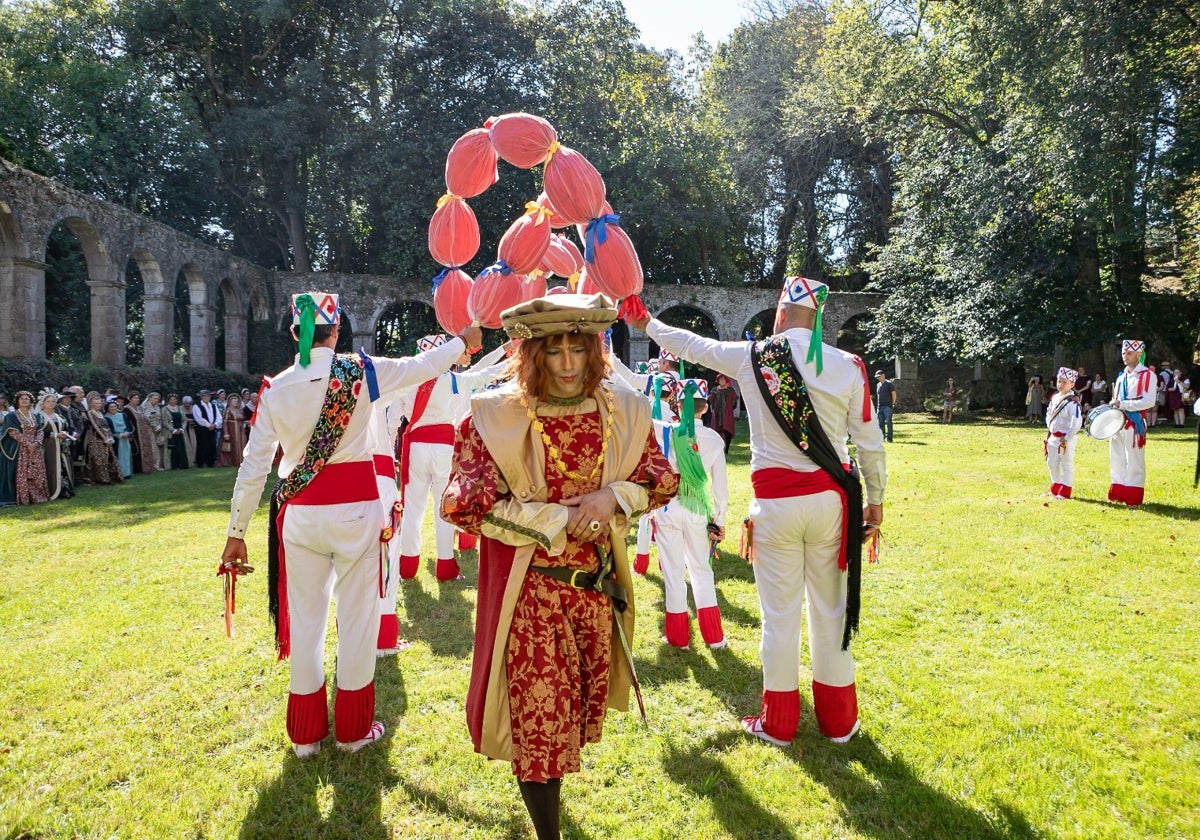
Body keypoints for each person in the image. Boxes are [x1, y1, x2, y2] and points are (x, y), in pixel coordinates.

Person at [441, 294, 677, 840]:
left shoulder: (623, 409)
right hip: (532, 599)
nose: (568, 364)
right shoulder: (494, 415)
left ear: (596, 351)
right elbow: (465, 505)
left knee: (569, 721)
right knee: (540, 733)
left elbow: (662, 481)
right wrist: (558, 520)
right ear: (533, 355)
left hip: (593, 596)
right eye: (554, 351)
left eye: (578, 348)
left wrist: (613, 498)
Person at [221, 292, 481, 759]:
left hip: (299, 514)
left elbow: (253, 466)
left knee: (306, 623)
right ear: (336, 331)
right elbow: (422, 366)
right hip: (358, 512)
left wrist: (236, 532)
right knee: (357, 622)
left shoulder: (274, 388)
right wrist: (461, 342)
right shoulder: (360, 372)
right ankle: (353, 731)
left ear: (293, 333)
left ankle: (306, 737)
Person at [630, 275, 886, 748]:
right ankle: (838, 722)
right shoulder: (849, 365)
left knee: (780, 615)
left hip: (774, 507)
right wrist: (876, 500)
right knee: (831, 611)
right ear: (818, 319)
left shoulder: (752, 356)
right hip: (833, 505)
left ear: (780, 313)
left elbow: (692, 345)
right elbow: (869, 442)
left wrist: (646, 322)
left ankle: (780, 722)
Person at [394, 335, 509, 582]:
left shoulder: (409, 381)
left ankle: (407, 568)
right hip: (444, 448)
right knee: (443, 509)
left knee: (413, 509)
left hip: (415, 446)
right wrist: (510, 361)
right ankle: (445, 567)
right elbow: (481, 375)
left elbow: (398, 413)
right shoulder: (450, 380)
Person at [653, 378, 729, 649]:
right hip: (697, 507)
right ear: (705, 408)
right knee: (701, 570)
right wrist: (719, 520)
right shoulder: (714, 439)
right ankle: (714, 637)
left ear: (677, 405)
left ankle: (678, 637)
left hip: (668, 507)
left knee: (673, 572)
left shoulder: (665, 432)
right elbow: (720, 488)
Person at [1107, 339, 1156, 507]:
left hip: (1134, 422)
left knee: (1134, 459)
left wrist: (1124, 404)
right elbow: (1117, 399)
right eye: (1123, 353)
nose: (1125, 357)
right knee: (1116, 457)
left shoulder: (1148, 375)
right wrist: (1114, 404)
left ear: (1138, 354)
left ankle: (1133, 496)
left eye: (1129, 353)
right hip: (1118, 421)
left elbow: (1149, 401)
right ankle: (1118, 492)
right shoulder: (1121, 377)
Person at [2, 390, 50, 505]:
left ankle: (38, 497)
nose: (24, 400)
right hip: (21, 448)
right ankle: (24, 497)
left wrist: (37, 443)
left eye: (27, 399)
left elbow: (40, 431)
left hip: (35, 447)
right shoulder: (11, 416)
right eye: (22, 399)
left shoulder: (35, 415)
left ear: (31, 402)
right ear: (17, 401)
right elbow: (12, 432)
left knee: (36, 472)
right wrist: (27, 444)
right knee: (23, 472)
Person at [1044, 368, 1083, 500]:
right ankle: (1056, 487)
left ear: (1072, 384)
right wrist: (1050, 427)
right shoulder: (1055, 397)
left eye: (1064, 382)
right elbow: (1049, 413)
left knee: (1066, 464)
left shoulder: (1072, 402)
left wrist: (1067, 438)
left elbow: (1076, 421)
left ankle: (1065, 491)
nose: (1060, 384)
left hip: (1066, 438)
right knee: (1052, 462)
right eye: (1059, 381)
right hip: (1053, 436)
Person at [37, 390, 75, 501]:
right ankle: (51, 490)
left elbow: (66, 428)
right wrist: (55, 435)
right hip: (48, 447)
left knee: (63, 466)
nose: (51, 403)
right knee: (50, 466)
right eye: (48, 401)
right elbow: (38, 432)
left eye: (53, 401)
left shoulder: (59, 416)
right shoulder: (39, 416)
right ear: (43, 403)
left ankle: (64, 490)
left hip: (61, 446)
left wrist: (66, 434)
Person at [83, 395, 122, 485]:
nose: (98, 405)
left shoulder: (101, 413)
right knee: (99, 459)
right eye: (96, 403)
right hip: (96, 439)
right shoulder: (90, 413)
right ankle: (101, 478)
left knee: (109, 458)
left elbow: (107, 426)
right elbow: (95, 426)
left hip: (107, 438)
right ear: (91, 404)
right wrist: (104, 438)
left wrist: (110, 437)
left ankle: (110, 476)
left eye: (99, 403)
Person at [125, 392, 157, 474]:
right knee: (137, 450)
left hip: (144, 433)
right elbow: (127, 422)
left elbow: (145, 419)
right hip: (135, 434)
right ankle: (138, 469)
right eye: (134, 398)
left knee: (146, 449)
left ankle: (147, 466)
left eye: (138, 398)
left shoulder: (139, 408)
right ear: (130, 399)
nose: (136, 400)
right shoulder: (126, 409)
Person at [707, 373, 739, 453]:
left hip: (727, 414)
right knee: (716, 431)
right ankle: (719, 449)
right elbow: (711, 401)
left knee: (727, 431)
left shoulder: (731, 390)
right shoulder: (714, 390)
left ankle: (726, 450)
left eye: (723, 379)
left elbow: (734, 402)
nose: (722, 381)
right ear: (718, 381)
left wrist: (730, 405)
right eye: (720, 380)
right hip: (717, 414)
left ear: (726, 381)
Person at [192, 390, 221, 467]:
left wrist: (215, 424)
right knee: (202, 445)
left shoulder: (213, 406)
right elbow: (199, 418)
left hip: (212, 428)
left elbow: (219, 417)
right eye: (204, 396)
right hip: (202, 429)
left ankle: (211, 461)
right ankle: (201, 462)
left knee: (212, 445)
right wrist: (208, 425)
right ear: (201, 397)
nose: (206, 397)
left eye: (208, 396)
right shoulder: (197, 406)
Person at [217, 394, 248, 467]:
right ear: (230, 402)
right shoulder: (227, 410)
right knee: (234, 445)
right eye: (233, 401)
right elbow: (224, 422)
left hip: (241, 430)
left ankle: (242, 460)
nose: (235, 402)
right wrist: (226, 433)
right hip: (232, 430)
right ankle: (235, 461)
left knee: (242, 444)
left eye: (237, 401)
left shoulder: (240, 410)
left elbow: (242, 419)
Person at [106, 399, 134, 478]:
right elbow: (109, 430)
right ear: (107, 408)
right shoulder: (106, 417)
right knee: (118, 456)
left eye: (114, 406)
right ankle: (119, 473)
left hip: (125, 438)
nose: (113, 408)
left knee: (126, 455)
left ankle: (127, 473)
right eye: (111, 407)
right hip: (116, 439)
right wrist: (119, 435)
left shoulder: (123, 415)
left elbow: (129, 426)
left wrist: (127, 432)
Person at [164, 395, 190, 470]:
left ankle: (182, 463)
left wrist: (182, 429)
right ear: (168, 401)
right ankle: (173, 465)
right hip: (170, 432)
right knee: (172, 448)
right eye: (171, 399)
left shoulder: (180, 408)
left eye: (174, 399)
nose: (173, 401)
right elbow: (165, 422)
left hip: (181, 431)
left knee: (181, 447)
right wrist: (173, 430)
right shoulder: (164, 409)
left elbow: (184, 419)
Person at [143, 392, 167, 471]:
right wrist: (153, 426)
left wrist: (159, 426)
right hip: (149, 429)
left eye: (157, 399)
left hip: (158, 430)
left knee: (158, 446)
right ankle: (152, 465)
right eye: (154, 398)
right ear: (149, 398)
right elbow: (145, 418)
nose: (156, 400)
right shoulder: (144, 406)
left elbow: (159, 418)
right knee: (152, 447)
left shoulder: (157, 407)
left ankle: (158, 464)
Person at [874, 370, 896, 442]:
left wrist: (892, 404)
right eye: (877, 377)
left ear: (883, 375)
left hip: (887, 407)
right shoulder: (878, 385)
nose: (878, 378)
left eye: (879, 376)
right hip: (879, 407)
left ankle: (889, 439)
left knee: (889, 423)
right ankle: (881, 438)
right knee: (880, 424)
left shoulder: (889, 384)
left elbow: (894, 394)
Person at [180, 396, 198, 465]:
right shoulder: (180, 408)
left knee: (194, 442)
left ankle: (194, 458)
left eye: (189, 403)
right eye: (186, 403)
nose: (188, 405)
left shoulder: (193, 408)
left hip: (193, 428)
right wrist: (187, 420)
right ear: (183, 403)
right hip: (184, 428)